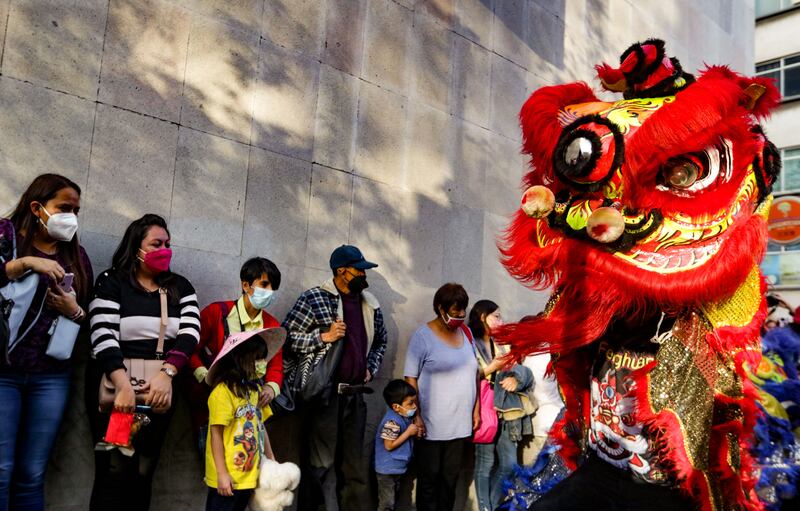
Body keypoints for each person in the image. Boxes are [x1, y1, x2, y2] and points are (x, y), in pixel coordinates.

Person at [86, 214, 200, 511]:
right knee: (114, 470)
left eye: (167, 243)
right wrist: (123, 385)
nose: (164, 249)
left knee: (143, 472)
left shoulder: (180, 287)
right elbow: (101, 333)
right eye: (156, 243)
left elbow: (190, 334)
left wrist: (167, 374)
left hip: (159, 389)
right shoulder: (112, 282)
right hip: (116, 389)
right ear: (137, 247)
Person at [0, 174, 93, 511]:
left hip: (50, 376)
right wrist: (22, 264)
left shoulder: (77, 257)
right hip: (3, 371)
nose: (71, 216)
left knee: (31, 472)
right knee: (1, 470)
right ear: (37, 207)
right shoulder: (6, 236)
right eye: (64, 208)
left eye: (76, 210)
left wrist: (75, 310)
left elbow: (87, 321)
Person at [281, 245, 388, 511]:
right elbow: (285, 339)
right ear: (342, 271)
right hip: (325, 397)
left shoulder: (370, 304)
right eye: (359, 269)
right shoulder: (316, 298)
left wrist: (370, 368)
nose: (364, 274)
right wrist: (323, 337)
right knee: (319, 466)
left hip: (356, 397)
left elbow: (381, 341)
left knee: (354, 469)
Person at [188, 257, 284, 455]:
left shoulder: (272, 324)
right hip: (213, 406)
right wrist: (204, 376)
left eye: (273, 287)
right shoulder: (217, 312)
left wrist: (271, 388)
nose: (269, 291)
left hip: (249, 411)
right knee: (213, 464)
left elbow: (275, 365)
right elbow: (190, 348)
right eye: (264, 284)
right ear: (246, 285)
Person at [404, 283, 480, 511]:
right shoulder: (423, 336)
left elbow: (475, 372)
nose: (460, 315)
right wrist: (416, 415)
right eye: (455, 310)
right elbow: (410, 378)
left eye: (463, 310)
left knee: (450, 480)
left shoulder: (466, 334)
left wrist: (475, 410)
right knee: (429, 481)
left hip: (460, 424)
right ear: (440, 307)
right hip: (431, 425)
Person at [204, 328, 283, 511]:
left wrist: (271, 459)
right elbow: (216, 434)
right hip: (227, 480)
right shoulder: (222, 393)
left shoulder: (254, 391)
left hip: (249, 476)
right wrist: (222, 474)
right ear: (243, 360)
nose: (263, 363)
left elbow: (260, 427)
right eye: (259, 358)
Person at [469, 300, 535, 511]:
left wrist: (516, 377)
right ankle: (486, 508)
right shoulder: (470, 341)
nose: (501, 320)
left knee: (508, 465)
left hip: (507, 412)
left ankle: (492, 505)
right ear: (482, 317)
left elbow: (524, 371)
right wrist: (492, 367)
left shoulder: (503, 343)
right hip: (484, 409)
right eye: (496, 316)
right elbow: (468, 376)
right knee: (485, 464)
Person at [374, 379, 419, 511]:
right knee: (387, 504)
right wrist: (409, 433)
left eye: (414, 402)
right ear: (396, 407)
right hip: (387, 471)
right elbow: (388, 445)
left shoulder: (404, 417)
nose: (414, 407)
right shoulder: (392, 421)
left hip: (397, 468)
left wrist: (414, 432)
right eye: (410, 403)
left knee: (393, 500)